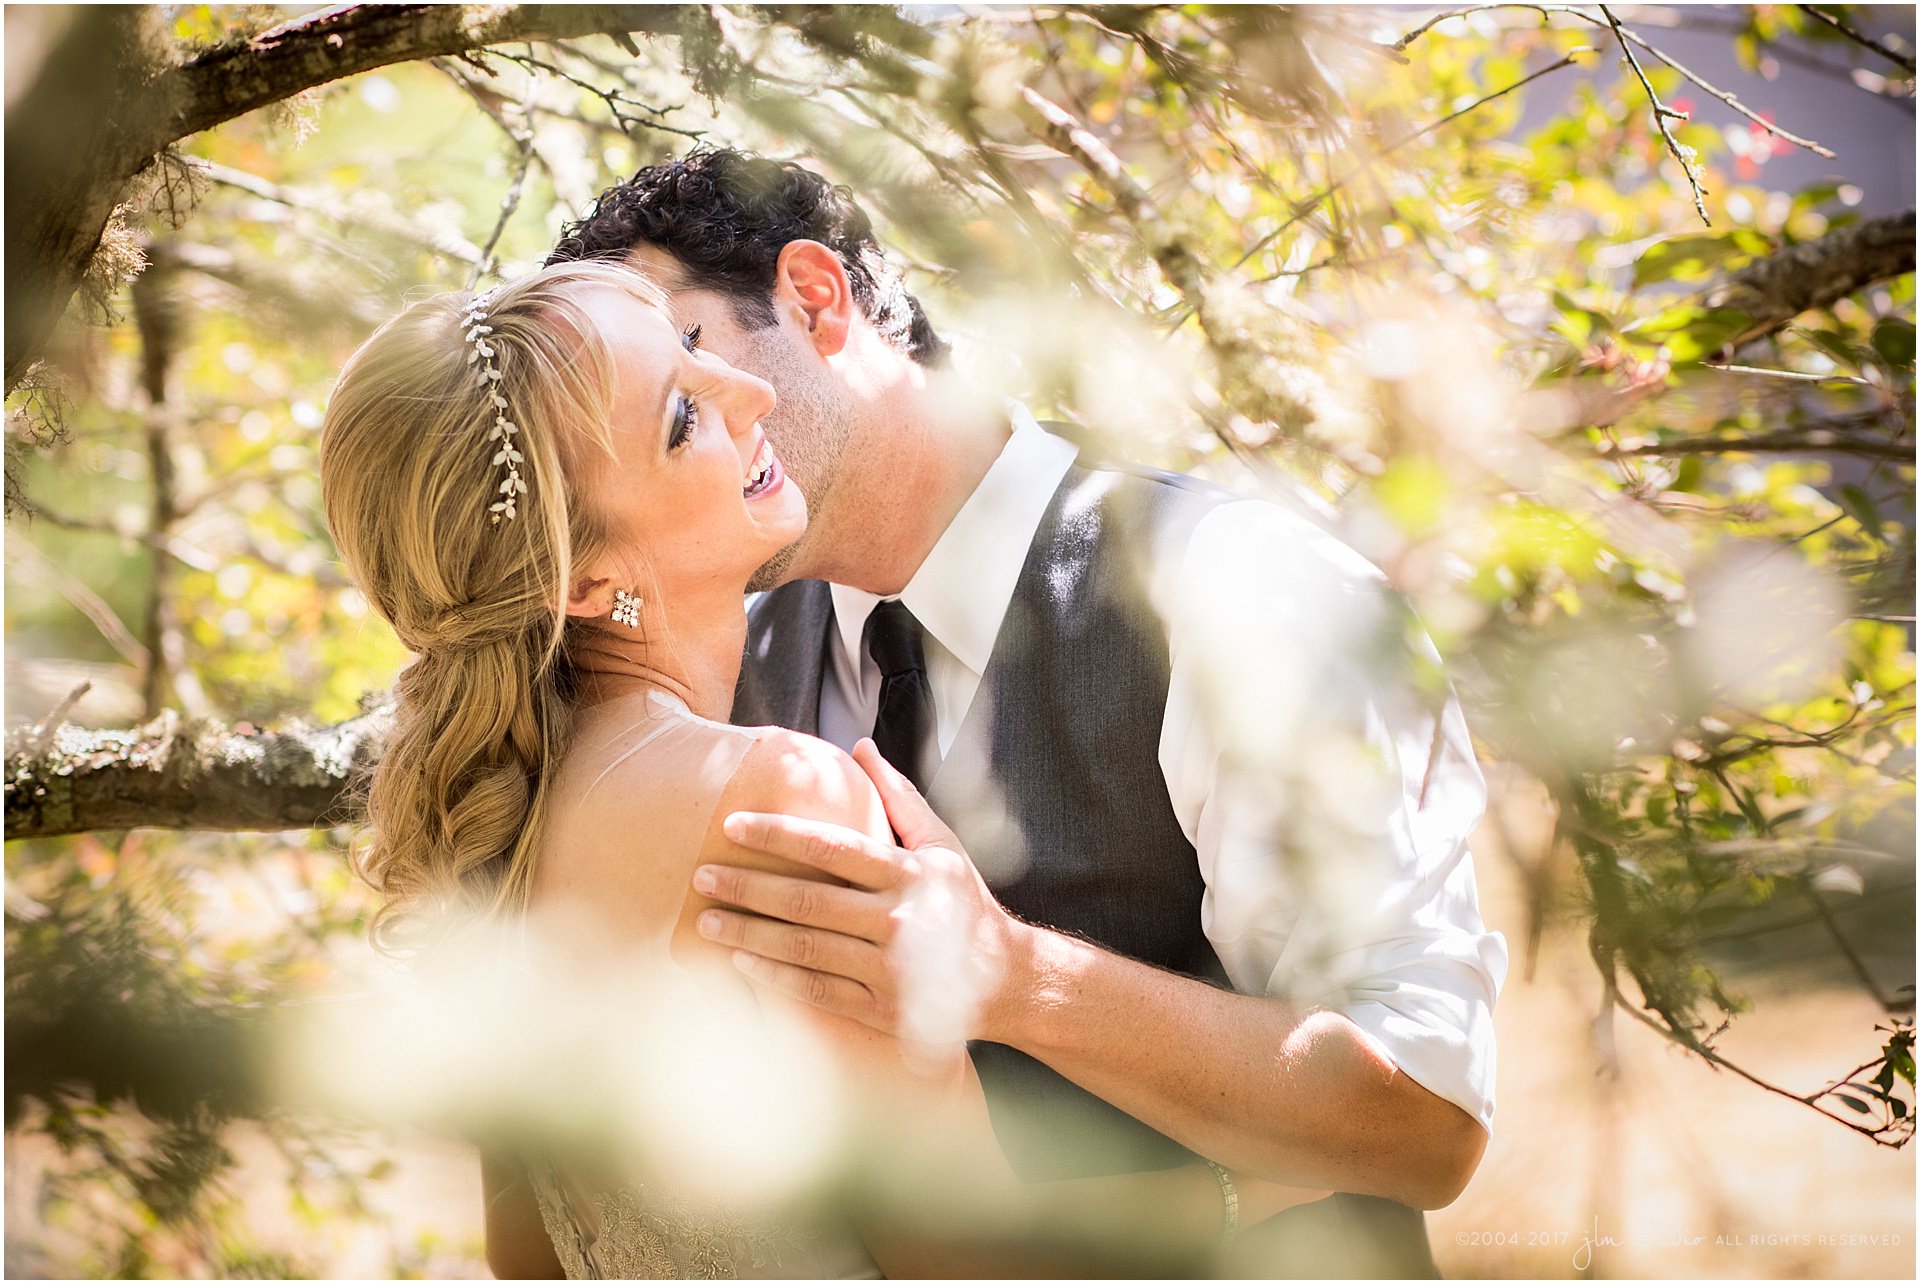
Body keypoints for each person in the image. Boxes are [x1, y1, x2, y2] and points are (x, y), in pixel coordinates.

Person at [540, 147, 1512, 1277]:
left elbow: (1428, 1121)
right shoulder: (714, 686)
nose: (719, 407)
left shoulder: (1242, 590)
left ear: (815, 299)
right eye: (661, 406)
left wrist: (1013, 978)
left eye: (690, 352)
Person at [318, 259, 1328, 1280]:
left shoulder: (501, 834)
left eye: (695, 349)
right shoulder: (774, 800)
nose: (752, 396)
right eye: (681, 417)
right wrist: (1246, 1189)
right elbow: (966, 1260)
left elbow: (525, 1260)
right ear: (586, 581)